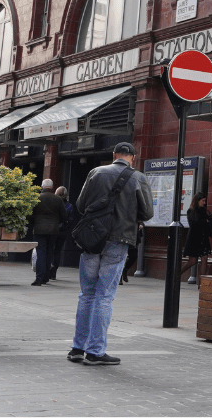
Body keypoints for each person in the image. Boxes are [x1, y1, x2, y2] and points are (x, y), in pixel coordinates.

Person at [69, 142, 153, 366]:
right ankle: (95, 351)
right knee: (104, 296)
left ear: (114, 154)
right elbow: (147, 212)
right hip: (119, 239)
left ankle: (77, 348)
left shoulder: (95, 172)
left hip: (92, 239)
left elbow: (80, 204)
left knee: (86, 293)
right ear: (133, 157)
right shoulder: (138, 178)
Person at [31, 179, 67, 287]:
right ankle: (46, 276)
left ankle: (39, 278)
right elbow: (64, 216)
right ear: (52, 187)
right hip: (53, 230)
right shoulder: (58, 199)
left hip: (39, 229)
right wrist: (56, 222)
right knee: (49, 252)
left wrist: (34, 223)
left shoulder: (36, 198)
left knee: (41, 253)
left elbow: (30, 214)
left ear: (42, 186)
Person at [182, 193, 212, 284]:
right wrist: (205, 221)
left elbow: (207, 221)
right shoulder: (191, 211)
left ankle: (202, 283)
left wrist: (211, 217)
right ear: (197, 201)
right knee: (192, 261)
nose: (204, 203)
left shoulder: (204, 211)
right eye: (203, 201)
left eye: (205, 201)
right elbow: (193, 224)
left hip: (203, 238)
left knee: (204, 260)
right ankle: (176, 274)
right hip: (194, 239)